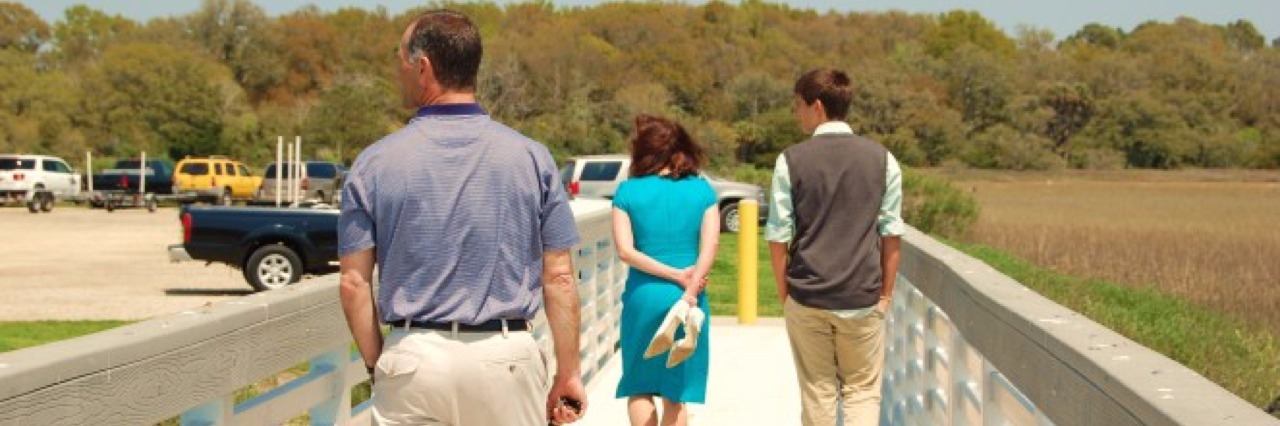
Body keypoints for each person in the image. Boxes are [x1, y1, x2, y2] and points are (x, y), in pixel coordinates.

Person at [337, 10, 586, 426]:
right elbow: (559, 277)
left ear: (423, 66)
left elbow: (353, 282)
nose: (398, 69)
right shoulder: (531, 157)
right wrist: (569, 372)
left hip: (414, 357)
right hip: (505, 359)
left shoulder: (374, 162)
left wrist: (378, 363)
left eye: (400, 59)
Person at [765, 68, 905, 426]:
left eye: (798, 106)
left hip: (808, 295)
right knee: (861, 391)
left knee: (818, 391)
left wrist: (786, 294)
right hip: (862, 295)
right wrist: (886, 295)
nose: (796, 113)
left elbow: (779, 236)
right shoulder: (883, 159)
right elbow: (891, 234)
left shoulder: (790, 160)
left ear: (816, 106)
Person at [611, 114, 719, 426]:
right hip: (689, 297)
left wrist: (673, 274)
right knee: (676, 391)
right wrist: (689, 285)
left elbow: (625, 251)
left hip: (644, 296)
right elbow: (710, 246)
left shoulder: (628, 192)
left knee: (639, 386)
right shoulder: (702, 191)